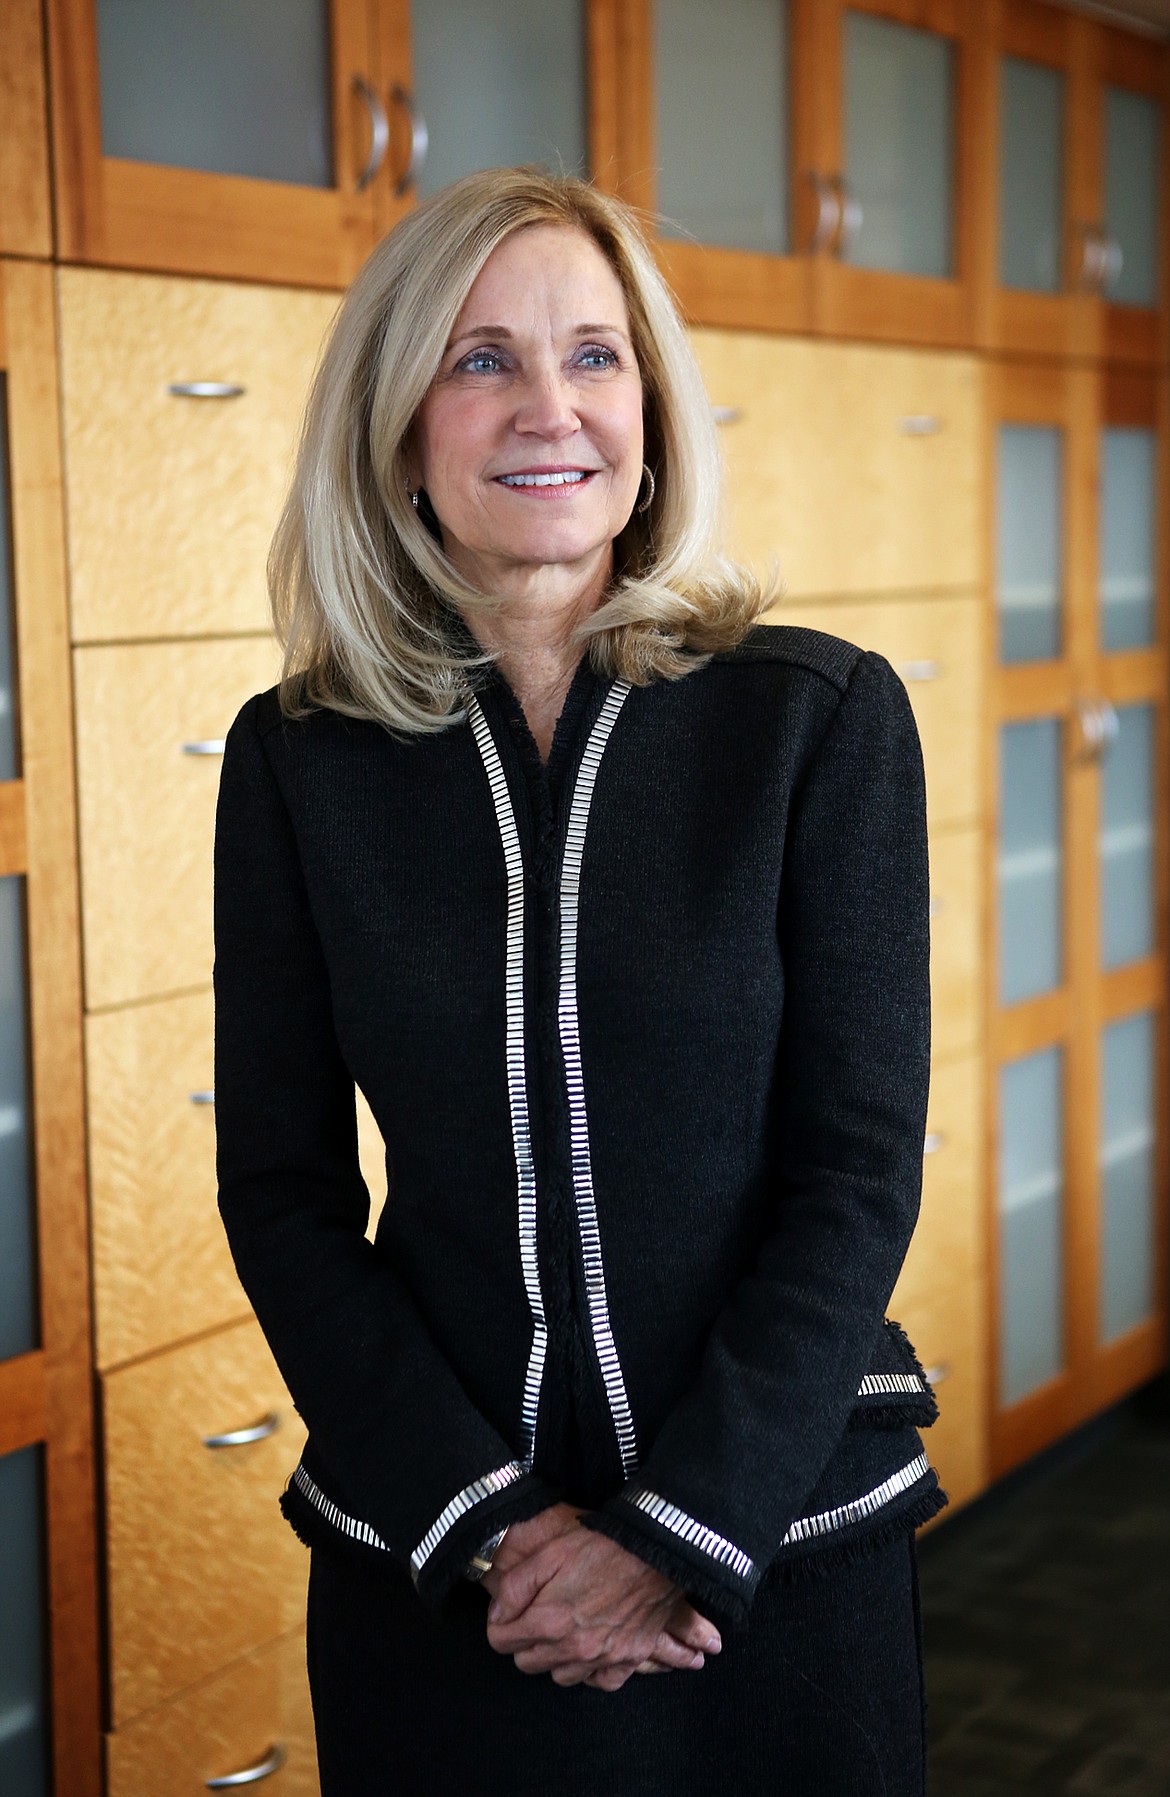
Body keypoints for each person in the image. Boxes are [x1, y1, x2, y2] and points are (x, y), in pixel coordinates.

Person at [213, 165, 944, 1797]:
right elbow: (281, 1190)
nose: (549, 408)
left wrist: (673, 1530)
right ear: (399, 425)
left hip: (769, 1550)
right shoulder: (297, 760)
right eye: (480, 360)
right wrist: (489, 1523)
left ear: (651, 407)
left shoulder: (814, 720)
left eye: (594, 355)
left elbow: (854, 1169)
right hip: (447, 1566)